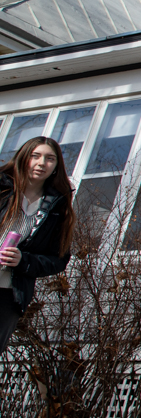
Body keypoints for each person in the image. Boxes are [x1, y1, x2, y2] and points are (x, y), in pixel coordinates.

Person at [0, 136, 75, 351]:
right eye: (36, 156)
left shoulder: (57, 207)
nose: (42, 163)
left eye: (50, 159)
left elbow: (58, 259)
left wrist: (23, 260)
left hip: (8, 292)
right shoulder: (2, 189)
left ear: (56, 167)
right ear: (24, 158)